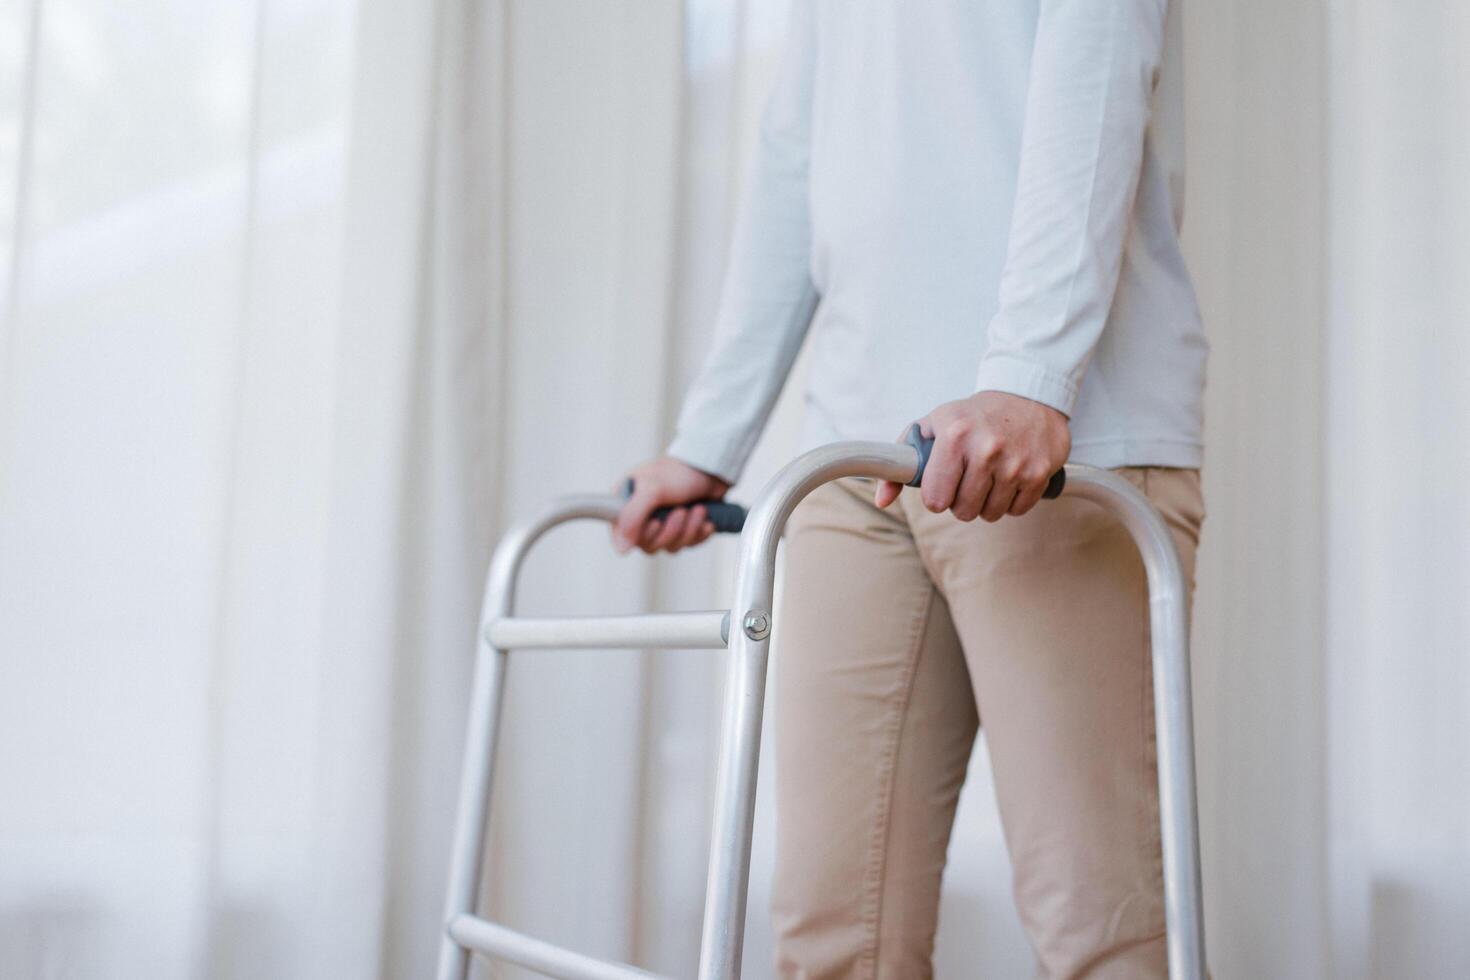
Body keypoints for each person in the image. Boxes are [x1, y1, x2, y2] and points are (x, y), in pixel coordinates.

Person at [614, 1, 1207, 976]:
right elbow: (795, 149)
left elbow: (1096, 55)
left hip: (1062, 451)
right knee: (833, 937)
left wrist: (1030, 374)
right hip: (856, 465)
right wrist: (711, 439)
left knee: (1107, 936)